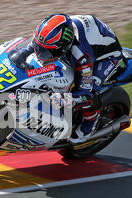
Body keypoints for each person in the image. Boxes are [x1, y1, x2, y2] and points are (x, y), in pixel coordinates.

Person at [32, 13, 125, 144]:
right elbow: (32, 46)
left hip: (108, 58)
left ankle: (88, 127)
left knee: (90, 94)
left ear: (64, 46)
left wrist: (65, 98)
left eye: (46, 51)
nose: (41, 54)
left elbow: (84, 94)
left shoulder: (81, 56)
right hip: (92, 38)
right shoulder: (56, 33)